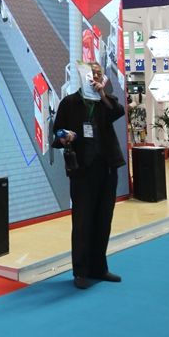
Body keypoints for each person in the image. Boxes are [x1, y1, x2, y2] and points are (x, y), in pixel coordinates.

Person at [52, 62, 126, 290]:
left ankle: (99, 267)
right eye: (91, 74)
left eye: (98, 74)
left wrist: (102, 94)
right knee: (82, 221)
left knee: (104, 219)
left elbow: (118, 111)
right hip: (82, 170)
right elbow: (57, 134)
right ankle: (81, 271)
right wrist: (64, 138)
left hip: (107, 167)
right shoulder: (69, 103)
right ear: (81, 76)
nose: (95, 77)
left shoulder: (106, 101)